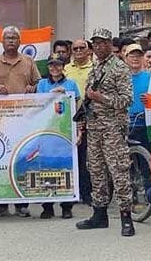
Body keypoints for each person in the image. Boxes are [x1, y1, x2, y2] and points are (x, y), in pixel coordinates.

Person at [75, 28, 135, 237]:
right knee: (96, 171)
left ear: (110, 44)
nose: (98, 46)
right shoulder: (95, 67)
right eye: (95, 43)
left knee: (119, 172)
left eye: (102, 43)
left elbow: (126, 100)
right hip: (94, 127)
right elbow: (89, 97)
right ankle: (99, 214)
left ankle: (126, 218)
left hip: (113, 128)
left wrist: (102, 99)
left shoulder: (119, 67)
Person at [0, 26, 41, 218]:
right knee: (0, 160)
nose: (11, 41)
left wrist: (33, 87)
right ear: (2, 42)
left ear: (20, 42)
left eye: (15, 38)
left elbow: (39, 84)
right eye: (8, 38)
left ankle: (21, 204)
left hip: (24, 120)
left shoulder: (29, 62)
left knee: (22, 159)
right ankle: (1, 204)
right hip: (0, 121)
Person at [36, 54, 80, 219]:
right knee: (46, 166)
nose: (55, 68)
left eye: (58, 65)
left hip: (65, 130)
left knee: (65, 166)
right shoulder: (42, 84)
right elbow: (37, 104)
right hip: (46, 130)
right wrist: (51, 94)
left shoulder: (71, 84)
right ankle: (47, 206)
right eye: (51, 65)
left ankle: (66, 206)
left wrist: (65, 93)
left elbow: (77, 105)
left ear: (63, 66)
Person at [63, 38, 93, 205]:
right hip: (69, 118)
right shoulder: (66, 69)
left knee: (87, 157)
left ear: (88, 50)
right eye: (75, 49)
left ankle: (87, 193)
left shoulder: (95, 68)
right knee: (73, 156)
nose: (79, 51)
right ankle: (73, 192)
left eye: (82, 48)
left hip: (90, 116)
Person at [124, 44, 151, 151]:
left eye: (138, 56)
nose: (135, 58)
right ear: (125, 58)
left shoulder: (150, 77)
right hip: (125, 124)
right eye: (132, 56)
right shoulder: (120, 78)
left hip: (145, 124)